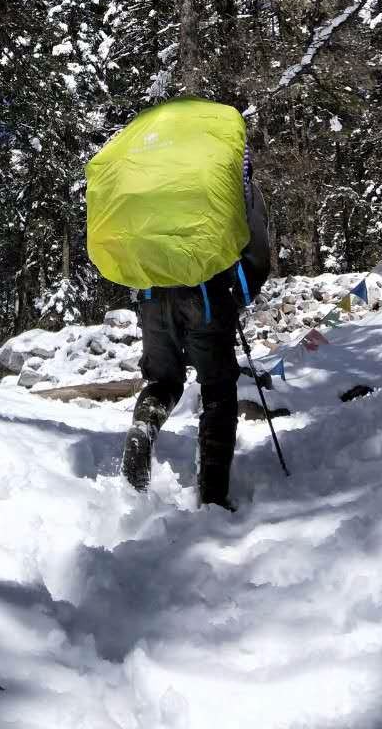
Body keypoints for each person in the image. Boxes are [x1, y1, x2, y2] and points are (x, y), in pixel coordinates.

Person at [120, 144, 270, 510]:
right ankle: (213, 494)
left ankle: (143, 430)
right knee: (218, 389)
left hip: (153, 297)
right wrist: (239, 296)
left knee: (163, 382)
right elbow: (256, 251)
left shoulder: (155, 183)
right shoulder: (231, 181)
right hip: (205, 297)